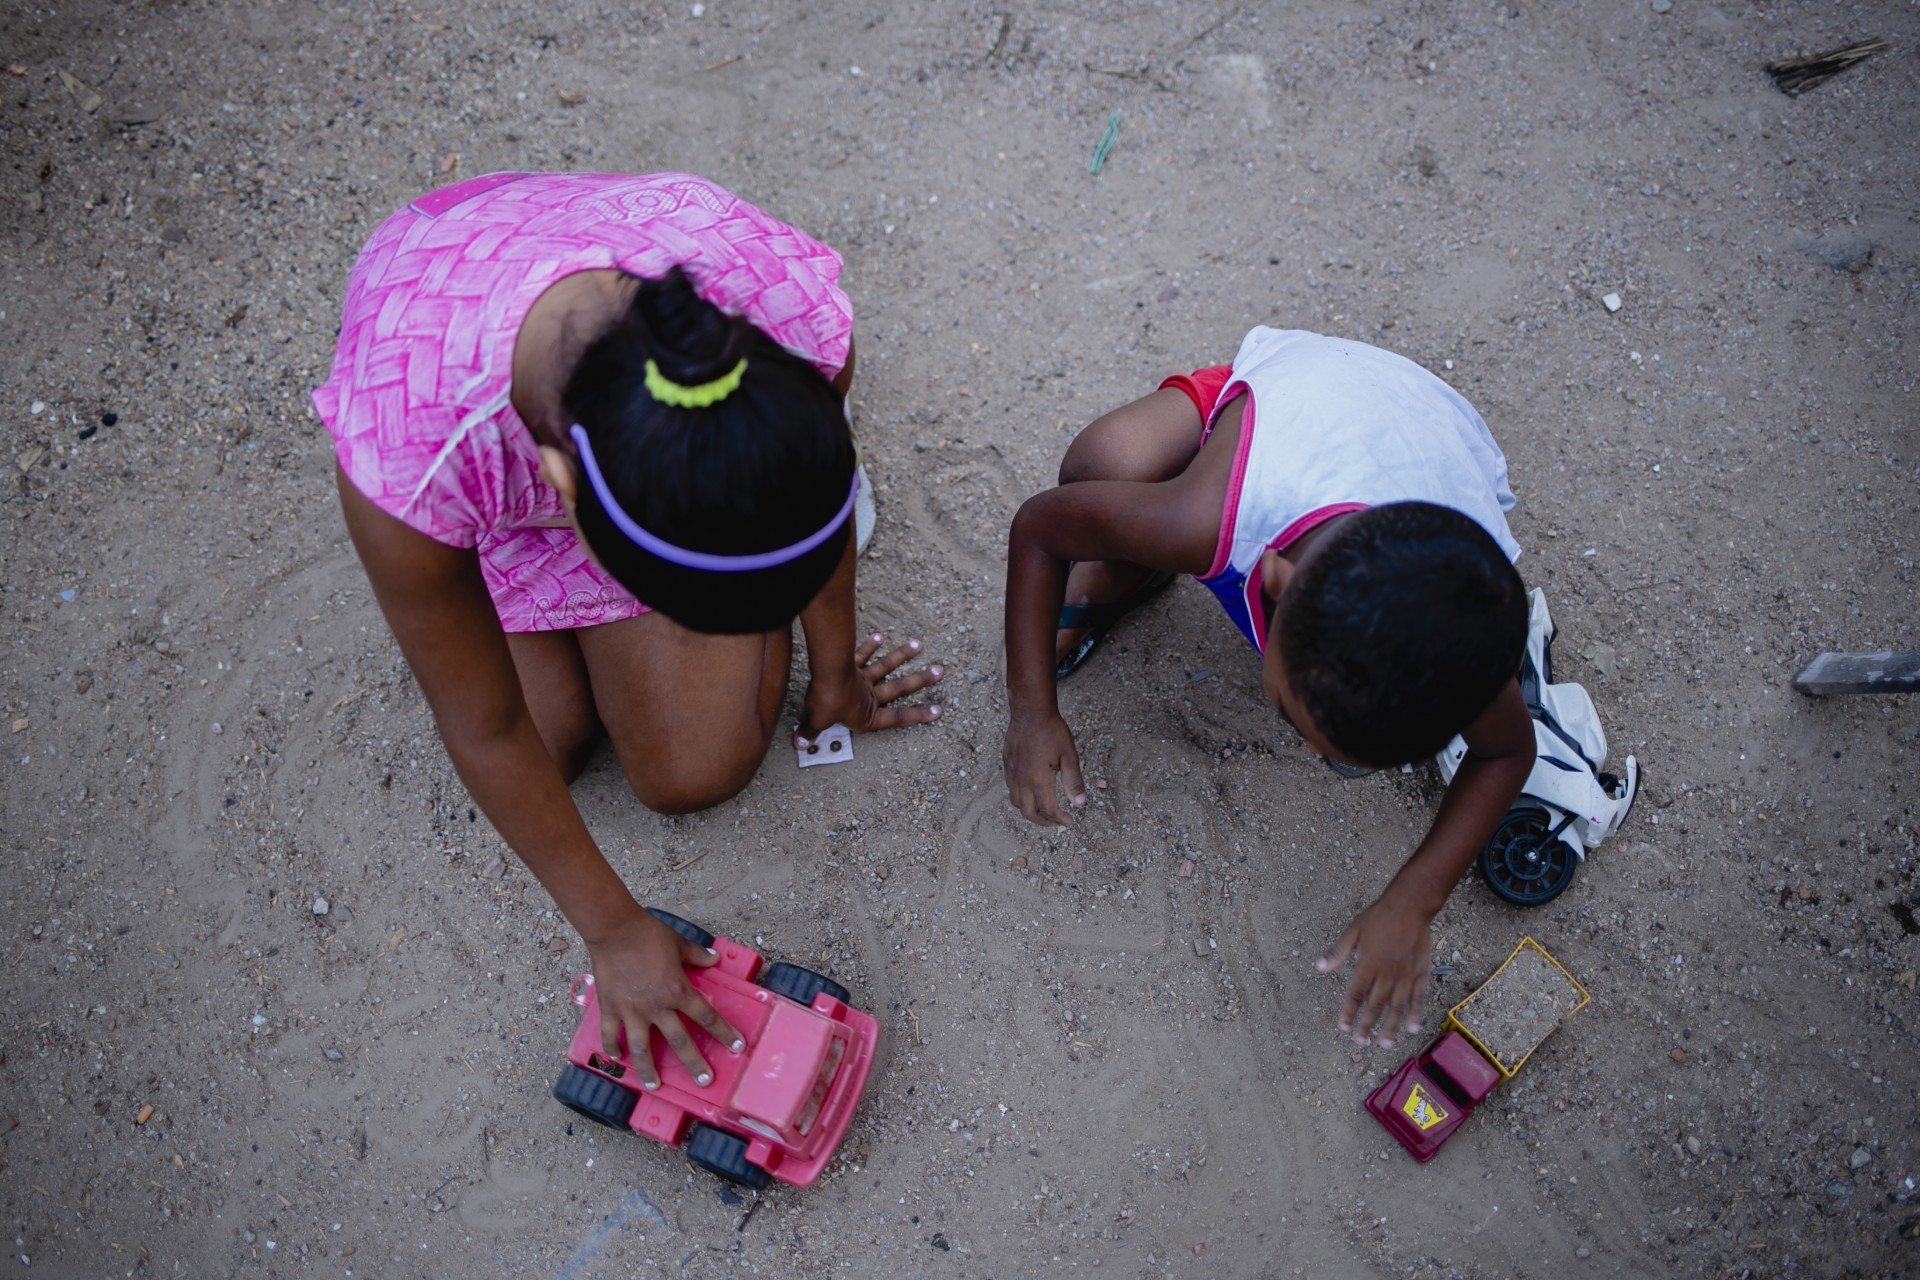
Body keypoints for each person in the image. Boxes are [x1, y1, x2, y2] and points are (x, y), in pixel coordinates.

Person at [312, 171, 942, 1093]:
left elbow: (826, 488)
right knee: (545, 746)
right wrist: (611, 930)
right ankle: (681, 572)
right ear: (563, 496)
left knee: (691, 771)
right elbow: (483, 725)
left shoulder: (775, 316)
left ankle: (740, 550)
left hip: (586, 427)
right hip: (469, 387)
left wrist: (836, 674)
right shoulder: (407, 454)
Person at [1000, 327, 1537, 1050]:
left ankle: (1126, 552)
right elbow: (1038, 526)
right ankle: (1122, 568)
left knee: (1122, 505)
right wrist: (1031, 711)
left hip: (1420, 430)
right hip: (1290, 396)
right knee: (1096, 466)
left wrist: (1415, 900)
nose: (1305, 744)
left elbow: (1507, 751)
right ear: (1273, 581)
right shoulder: (1203, 519)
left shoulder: (1459, 637)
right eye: (1291, 714)